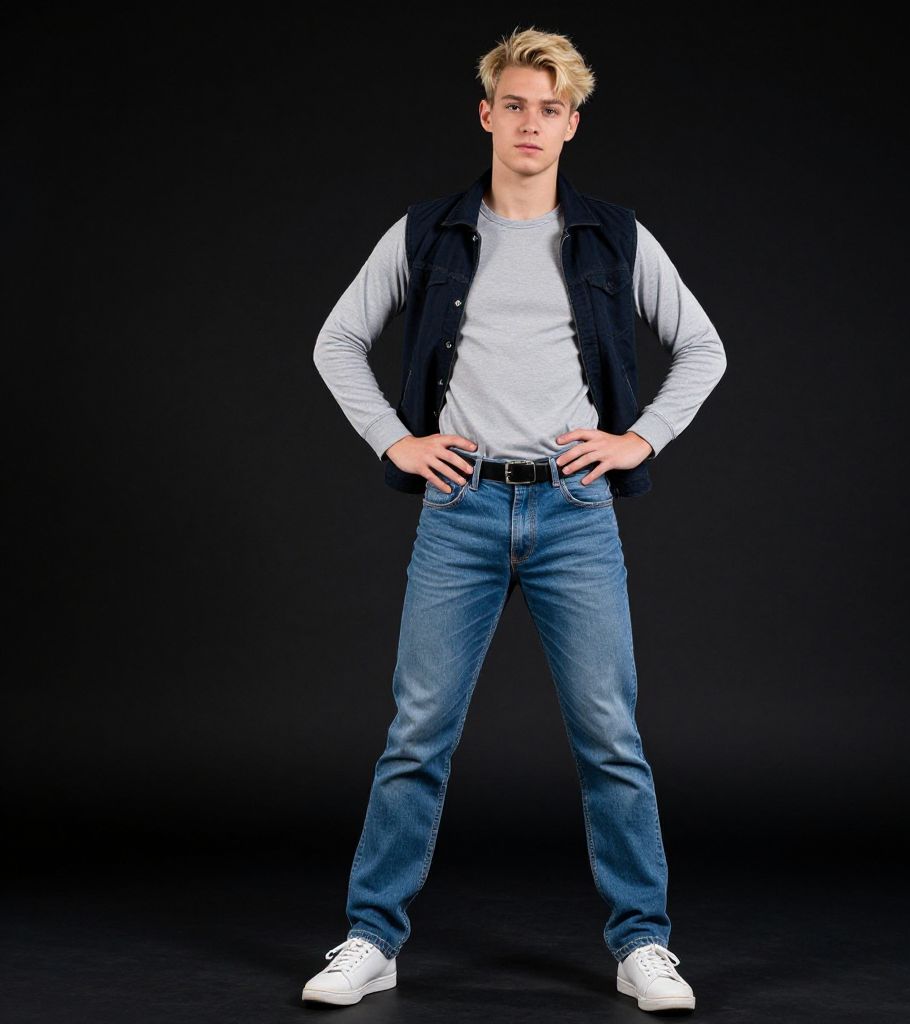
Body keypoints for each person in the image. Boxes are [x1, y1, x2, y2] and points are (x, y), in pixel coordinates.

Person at [302, 25, 726, 1013]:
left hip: (576, 511)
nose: (532, 124)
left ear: (572, 125)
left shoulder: (614, 234)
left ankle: (642, 943)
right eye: (517, 106)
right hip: (459, 508)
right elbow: (337, 341)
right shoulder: (429, 232)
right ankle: (372, 937)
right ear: (487, 114)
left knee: (609, 735)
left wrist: (638, 440)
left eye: (552, 109)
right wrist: (395, 440)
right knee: (417, 734)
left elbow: (702, 347)